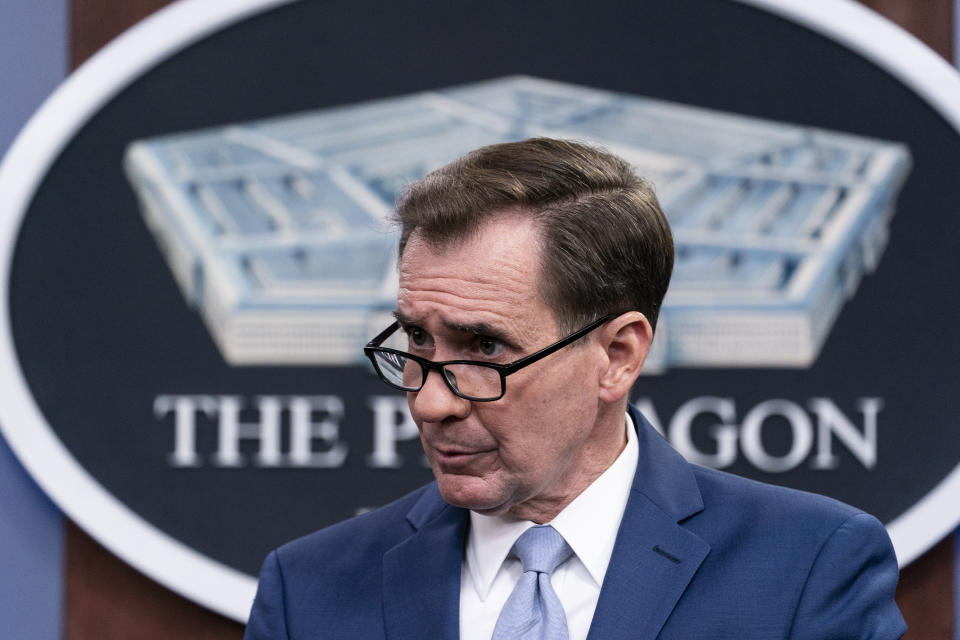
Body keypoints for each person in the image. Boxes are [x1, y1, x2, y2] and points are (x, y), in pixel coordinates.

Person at [244, 138, 905, 639]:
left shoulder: (808, 569)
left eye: (485, 349)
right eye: (418, 342)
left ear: (619, 355)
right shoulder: (309, 593)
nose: (431, 402)